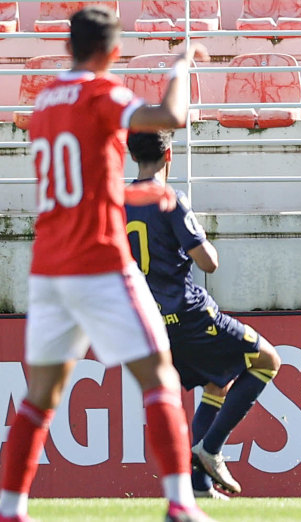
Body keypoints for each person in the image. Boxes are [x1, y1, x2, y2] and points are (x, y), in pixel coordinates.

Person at [0, 7, 214, 522]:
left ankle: (10, 509)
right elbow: (172, 117)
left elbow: (76, 184)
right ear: (114, 52)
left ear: (67, 47)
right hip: (99, 264)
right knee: (159, 378)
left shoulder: (43, 102)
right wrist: (180, 67)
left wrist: (133, 197)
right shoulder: (102, 92)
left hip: (49, 270)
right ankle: (181, 503)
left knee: (39, 396)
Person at [124, 131, 282, 500]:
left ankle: (199, 484)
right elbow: (208, 262)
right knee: (268, 361)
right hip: (190, 314)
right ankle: (211, 449)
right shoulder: (170, 199)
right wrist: (202, 239)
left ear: (132, 156)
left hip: (151, 324)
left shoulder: (118, 203)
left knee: (217, 383)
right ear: (170, 154)